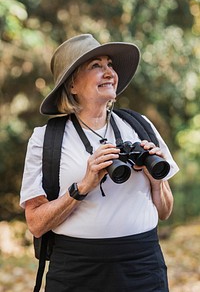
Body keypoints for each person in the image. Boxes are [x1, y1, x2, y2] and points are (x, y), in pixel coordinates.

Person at [20, 34, 179, 292]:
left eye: (110, 65)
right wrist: (83, 186)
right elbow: (36, 224)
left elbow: (165, 211)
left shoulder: (140, 126)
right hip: (76, 270)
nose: (109, 72)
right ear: (72, 85)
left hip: (143, 266)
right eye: (96, 66)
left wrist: (155, 181)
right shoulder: (46, 139)